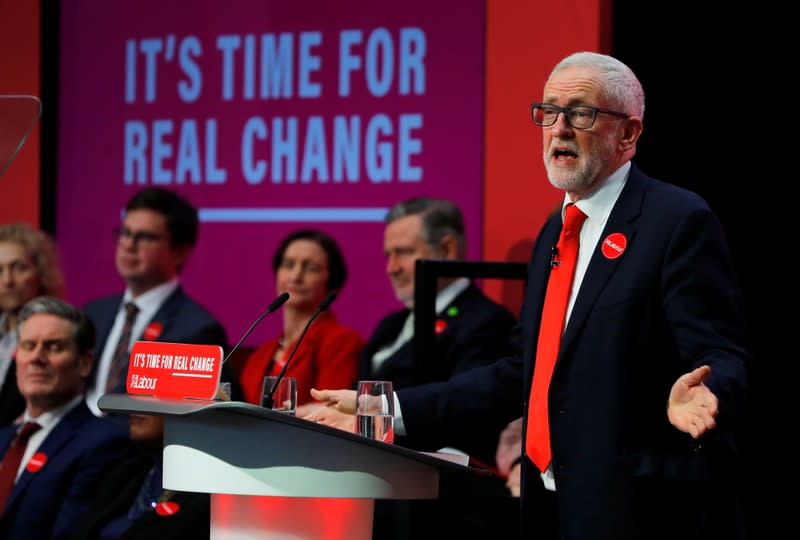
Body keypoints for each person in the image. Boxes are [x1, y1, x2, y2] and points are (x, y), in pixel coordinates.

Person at [309, 51, 750, 540]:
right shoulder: (553, 234)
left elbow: (720, 352)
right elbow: (522, 371)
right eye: (549, 112)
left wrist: (708, 392)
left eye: (581, 113)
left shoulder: (675, 221)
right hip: (547, 504)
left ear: (628, 134)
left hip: (639, 509)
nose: (559, 128)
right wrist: (384, 408)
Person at [310, 197, 520, 540]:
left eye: (403, 252)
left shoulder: (486, 322)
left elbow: (465, 414)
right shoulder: (389, 326)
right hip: (367, 496)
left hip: (436, 510)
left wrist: (373, 418)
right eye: (387, 255)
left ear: (448, 249)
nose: (391, 267)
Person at [83, 187, 239, 416]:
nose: (129, 244)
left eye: (144, 237)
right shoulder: (93, 313)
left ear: (180, 252)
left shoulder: (197, 330)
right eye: (126, 233)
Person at [0, 296, 131, 540]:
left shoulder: (102, 444)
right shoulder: (4, 438)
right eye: (28, 345)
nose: (36, 358)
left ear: (84, 363)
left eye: (54, 347)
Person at [238, 229, 363, 414]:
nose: (296, 276)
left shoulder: (341, 342)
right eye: (288, 264)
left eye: (310, 268)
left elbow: (332, 409)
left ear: (331, 281)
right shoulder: (260, 354)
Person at [74, 411, 212, 540]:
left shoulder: (212, 492)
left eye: (152, 393)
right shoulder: (126, 470)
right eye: (136, 393)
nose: (138, 405)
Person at [0, 223, 65, 426]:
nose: (8, 280)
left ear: (41, 272)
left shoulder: (62, 333)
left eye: (19, 268)